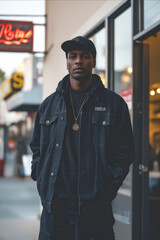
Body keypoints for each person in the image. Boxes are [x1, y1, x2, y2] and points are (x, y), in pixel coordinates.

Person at [30, 36, 135, 240]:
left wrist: (107, 187)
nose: (78, 61)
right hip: (55, 209)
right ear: (67, 62)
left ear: (93, 62)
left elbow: (125, 152)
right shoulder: (48, 105)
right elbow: (36, 146)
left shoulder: (114, 104)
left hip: (94, 211)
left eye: (85, 56)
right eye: (73, 56)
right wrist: (40, 176)